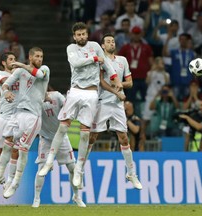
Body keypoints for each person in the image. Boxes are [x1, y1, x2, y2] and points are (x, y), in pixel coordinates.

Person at [38, 22, 122, 189]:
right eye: (79, 35)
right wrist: (94, 59)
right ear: (74, 36)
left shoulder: (95, 46)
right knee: (62, 127)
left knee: (85, 134)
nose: (82, 37)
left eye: (84, 34)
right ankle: (49, 161)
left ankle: (79, 170)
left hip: (91, 93)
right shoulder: (71, 48)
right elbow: (76, 63)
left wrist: (115, 77)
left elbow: (106, 63)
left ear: (87, 34)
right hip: (75, 91)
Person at [0, 47, 50, 198]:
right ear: (30, 57)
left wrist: (21, 65)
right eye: (37, 56)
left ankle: (14, 182)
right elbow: (6, 83)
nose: (40, 59)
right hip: (17, 113)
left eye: (41, 56)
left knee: (21, 150)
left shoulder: (44, 69)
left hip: (33, 117)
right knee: (7, 144)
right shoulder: (19, 73)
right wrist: (6, 90)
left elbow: (39, 74)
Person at [83, 33, 142, 189]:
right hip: (102, 102)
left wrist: (120, 84)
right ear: (102, 46)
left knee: (123, 138)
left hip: (117, 105)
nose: (111, 43)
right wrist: (116, 90)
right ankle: (80, 168)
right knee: (93, 136)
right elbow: (101, 82)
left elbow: (129, 82)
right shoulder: (101, 61)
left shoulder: (122, 60)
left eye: (113, 41)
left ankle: (131, 173)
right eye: (108, 41)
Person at [32, 91, 85, 208]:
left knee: (72, 167)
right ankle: (36, 199)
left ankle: (76, 196)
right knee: (41, 169)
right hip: (45, 139)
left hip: (61, 137)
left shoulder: (56, 96)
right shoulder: (34, 100)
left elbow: (68, 107)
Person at [0, 52, 18, 197]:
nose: (14, 61)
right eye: (11, 60)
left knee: (15, 150)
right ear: (3, 63)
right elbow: (6, 82)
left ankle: (10, 181)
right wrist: (19, 71)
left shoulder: (19, 73)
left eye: (15, 59)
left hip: (18, 116)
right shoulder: (0, 73)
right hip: (5, 117)